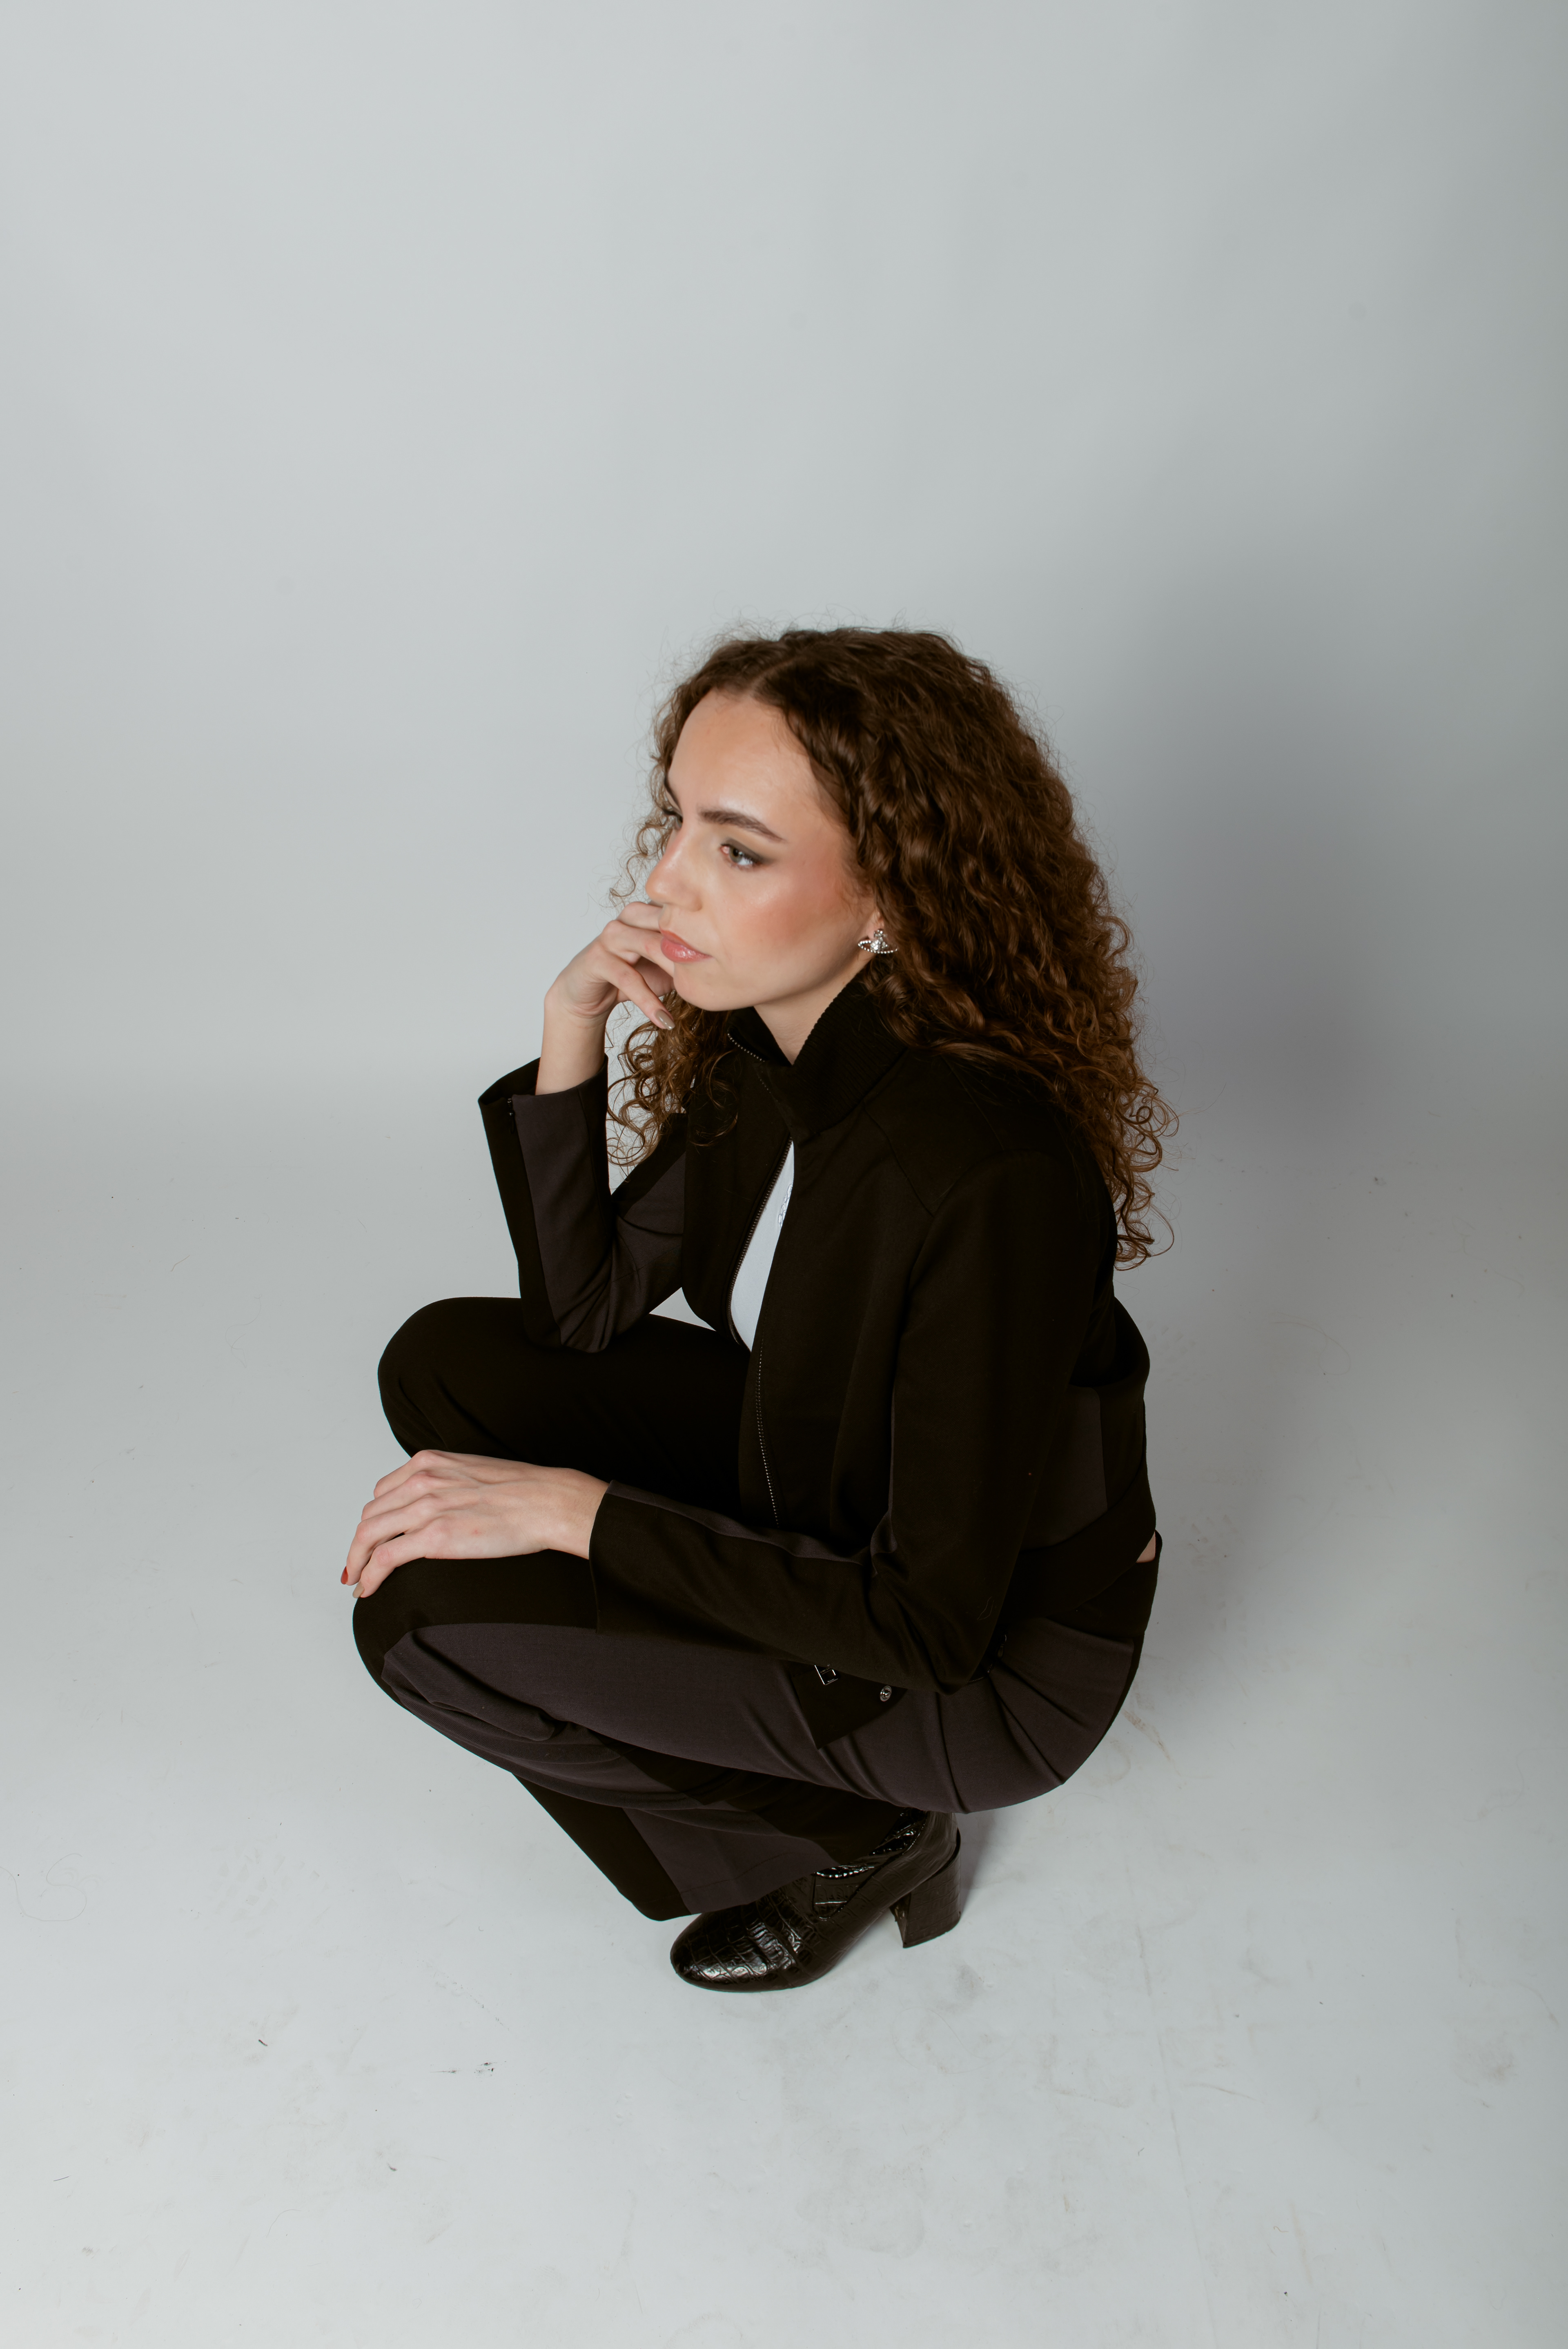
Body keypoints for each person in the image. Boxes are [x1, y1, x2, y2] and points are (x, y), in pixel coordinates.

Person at [345, 626, 1172, 1993]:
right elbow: (582, 1315)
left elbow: (928, 1628)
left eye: (738, 851)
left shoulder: (988, 1173)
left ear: (890, 891)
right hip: (830, 1487)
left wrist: (576, 1515)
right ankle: (728, 1674)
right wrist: (571, 1028)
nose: (665, 882)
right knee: (443, 1365)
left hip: (982, 1667)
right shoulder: (778, 1046)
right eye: (678, 820)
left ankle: (868, 1835)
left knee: (420, 1624)